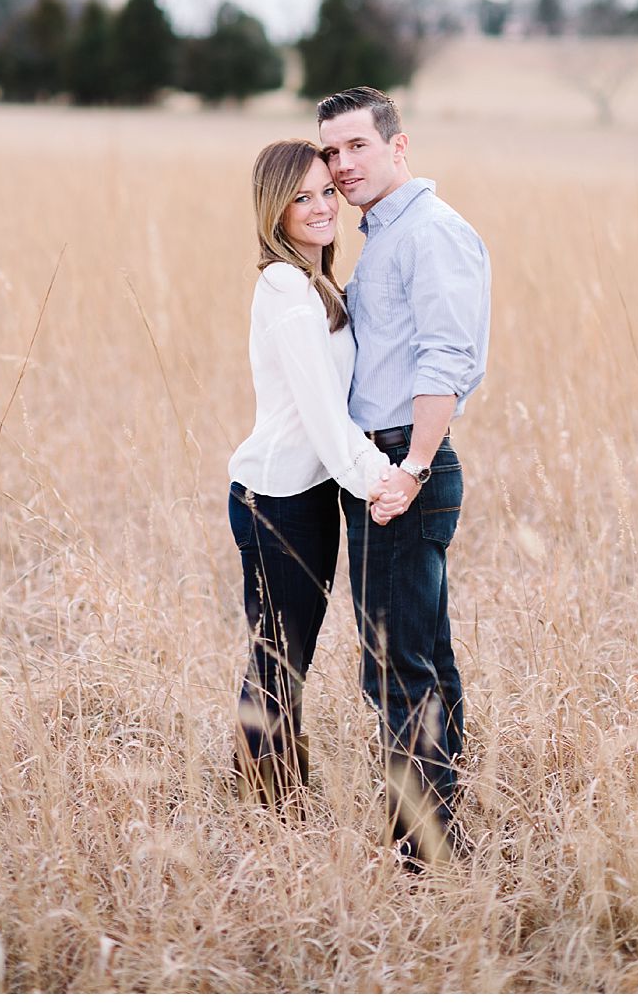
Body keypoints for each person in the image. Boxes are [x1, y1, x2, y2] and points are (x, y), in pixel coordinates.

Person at [316, 85, 490, 867]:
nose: (342, 164)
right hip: (385, 462)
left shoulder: (431, 232)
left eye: (357, 146)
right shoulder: (383, 233)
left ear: (398, 146)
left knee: (394, 662)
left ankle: (425, 848)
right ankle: (439, 824)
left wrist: (411, 468)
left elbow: (446, 358)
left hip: (403, 465)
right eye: (330, 151)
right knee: (421, 652)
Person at [225, 139, 403, 808]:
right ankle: (264, 806)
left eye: (327, 190)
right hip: (275, 500)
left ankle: (274, 794)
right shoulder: (283, 285)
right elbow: (325, 416)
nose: (322, 205)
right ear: (276, 210)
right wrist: (380, 479)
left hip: (309, 496)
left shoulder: (314, 283)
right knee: (279, 655)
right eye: (301, 197)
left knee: (287, 652)